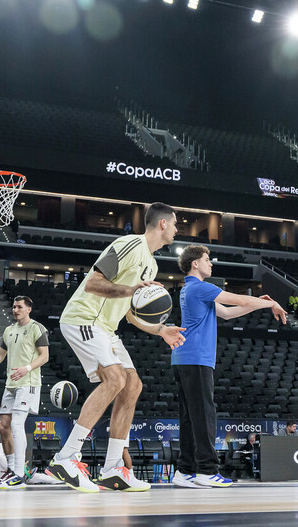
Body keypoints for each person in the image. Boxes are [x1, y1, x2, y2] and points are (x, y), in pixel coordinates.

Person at [46, 202, 186, 493]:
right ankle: (65, 458)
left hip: (107, 328)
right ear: (162, 224)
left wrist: (160, 330)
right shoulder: (128, 245)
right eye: (175, 224)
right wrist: (131, 289)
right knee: (116, 379)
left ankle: (112, 471)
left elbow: (131, 312)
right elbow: (93, 284)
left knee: (132, 386)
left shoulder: (153, 263)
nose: (177, 229)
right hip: (82, 319)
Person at [171, 244, 286, 489]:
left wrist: (257, 304)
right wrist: (267, 303)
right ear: (195, 264)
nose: (210, 263)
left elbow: (227, 313)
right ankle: (207, 470)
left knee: (190, 418)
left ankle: (186, 470)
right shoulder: (201, 287)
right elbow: (237, 298)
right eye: (207, 259)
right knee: (203, 415)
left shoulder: (192, 289)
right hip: (196, 358)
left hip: (184, 358)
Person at [0, 295, 51, 489]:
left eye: (19, 307)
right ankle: (11, 471)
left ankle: (19, 473)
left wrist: (26, 368)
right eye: (14, 307)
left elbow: (45, 356)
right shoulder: (9, 331)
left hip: (29, 382)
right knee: (3, 426)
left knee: (17, 423)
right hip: (11, 384)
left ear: (29, 309)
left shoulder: (37, 328)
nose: (15, 310)